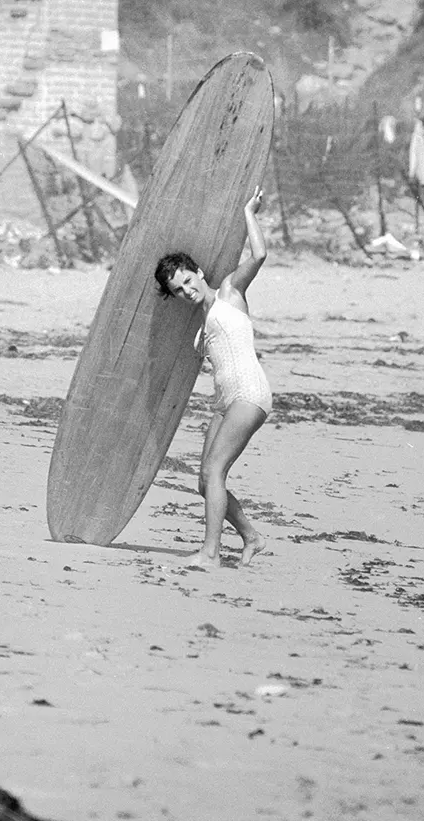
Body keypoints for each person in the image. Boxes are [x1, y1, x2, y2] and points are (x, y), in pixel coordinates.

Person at [154, 187, 271, 568]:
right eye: (178, 290)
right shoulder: (201, 324)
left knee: (215, 471)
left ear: (199, 273)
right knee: (205, 482)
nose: (187, 290)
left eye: (189, 280)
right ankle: (252, 537)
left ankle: (210, 554)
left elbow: (259, 255)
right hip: (225, 402)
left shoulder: (229, 292)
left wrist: (249, 212)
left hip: (249, 394)